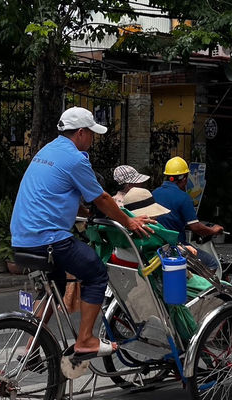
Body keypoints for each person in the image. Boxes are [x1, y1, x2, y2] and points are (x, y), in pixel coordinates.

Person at [11, 106, 154, 360]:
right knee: (96, 273)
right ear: (80, 133)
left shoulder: (47, 151)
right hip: (49, 240)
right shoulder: (75, 159)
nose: (92, 139)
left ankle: (31, 348)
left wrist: (86, 214)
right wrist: (129, 222)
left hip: (22, 239)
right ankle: (85, 340)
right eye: (91, 133)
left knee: (52, 286)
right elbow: (102, 197)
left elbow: (62, 191)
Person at [152, 156, 221, 272]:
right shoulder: (183, 197)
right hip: (176, 246)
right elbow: (196, 228)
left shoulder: (154, 193)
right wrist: (213, 230)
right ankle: (200, 289)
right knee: (211, 263)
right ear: (184, 179)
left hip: (157, 245)